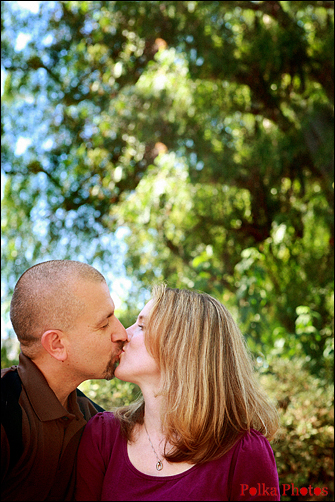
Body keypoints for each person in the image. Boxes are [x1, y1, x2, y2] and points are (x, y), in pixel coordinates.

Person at [75, 285, 280, 501]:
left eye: (142, 326)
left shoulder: (245, 454)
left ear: (181, 348)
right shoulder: (103, 435)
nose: (124, 334)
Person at [1, 260, 128, 501]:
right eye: (104, 324)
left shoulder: (95, 422)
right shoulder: (6, 411)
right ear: (57, 344)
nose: (122, 334)